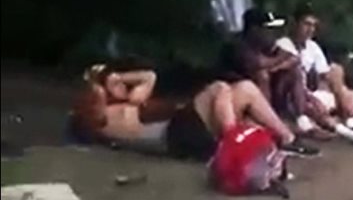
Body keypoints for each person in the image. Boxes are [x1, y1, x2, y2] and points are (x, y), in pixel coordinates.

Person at [71, 64, 316, 159]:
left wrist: (118, 76)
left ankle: (288, 139)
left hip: (185, 128)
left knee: (246, 88)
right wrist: (100, 79)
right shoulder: (100, 116)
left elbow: (149, 75)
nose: (119, 84)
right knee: (219, 88)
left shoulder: (132, 103)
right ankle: (235, 147)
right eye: (109, 82)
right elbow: (94, 98)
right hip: (173, 136)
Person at [276, 5, 353, 149]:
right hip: (292, 96)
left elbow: (325, 75)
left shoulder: (313, 46)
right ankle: (349, 131)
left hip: (312, 90)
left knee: (337, 70)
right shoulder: (284, 44)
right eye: (306, 24)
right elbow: (291, 80)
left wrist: (342, 91)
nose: (310, 30)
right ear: (295, 24)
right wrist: (313, 96)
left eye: (314, 26)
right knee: (313, 101)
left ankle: (350, 118)